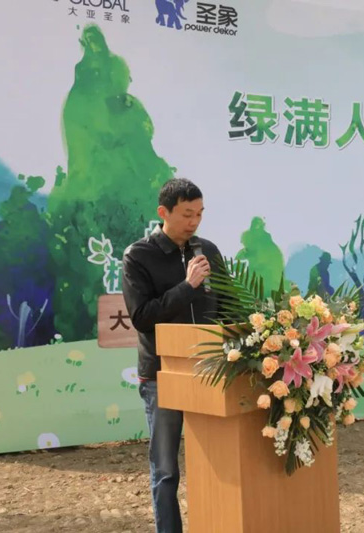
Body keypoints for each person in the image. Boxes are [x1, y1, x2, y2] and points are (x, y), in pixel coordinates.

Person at [121, 178, 222, 533]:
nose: (194, 222)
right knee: (165, 469)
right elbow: (142, 317)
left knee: (217, 460)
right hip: (161, 375)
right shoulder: (138, 256)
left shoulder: (208, 251)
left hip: (210, 371)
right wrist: (188, 286)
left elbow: (226, 307)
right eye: (186, 214)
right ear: (163, 212)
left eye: (200, 214)